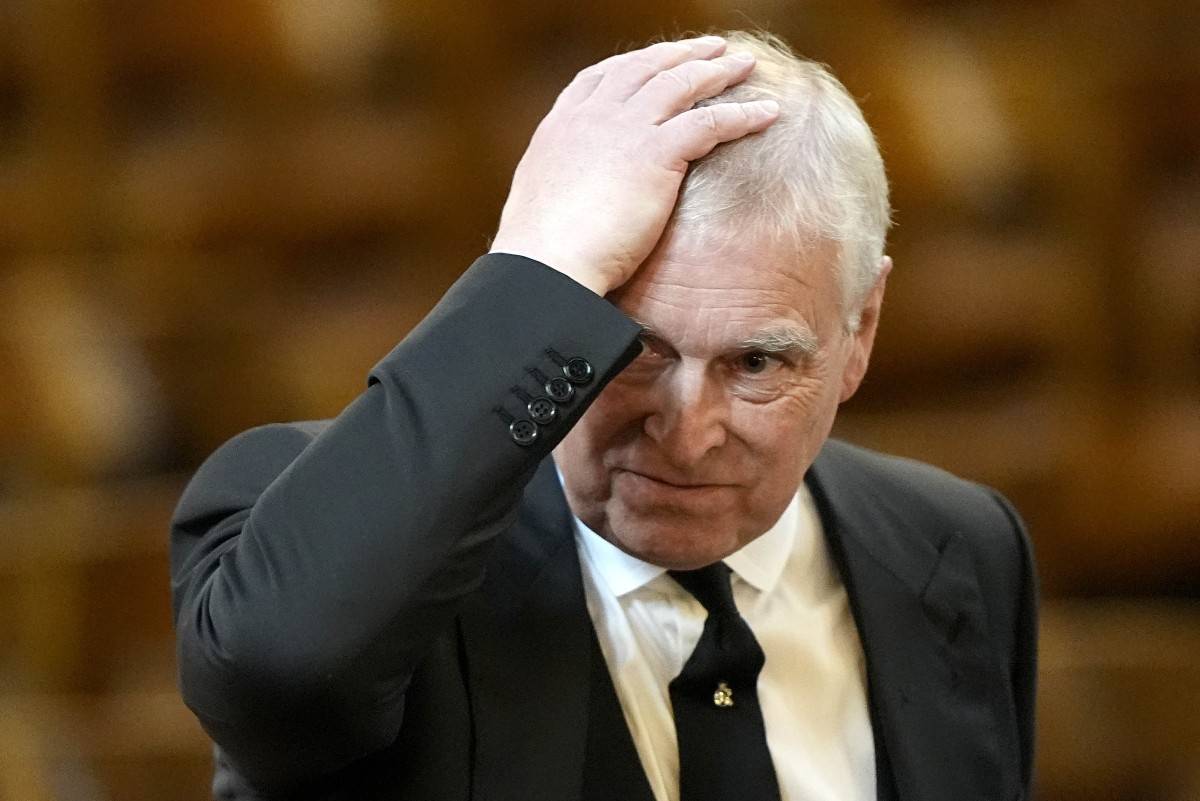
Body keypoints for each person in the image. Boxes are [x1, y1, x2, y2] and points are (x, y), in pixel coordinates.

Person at [171, 30, 1036, 801]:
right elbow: (276, 677)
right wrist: (535, 264)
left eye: (756, 363)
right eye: (637, 349)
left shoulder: (956, 547)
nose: (687, 432)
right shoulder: (353, 551)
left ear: (862, 331)